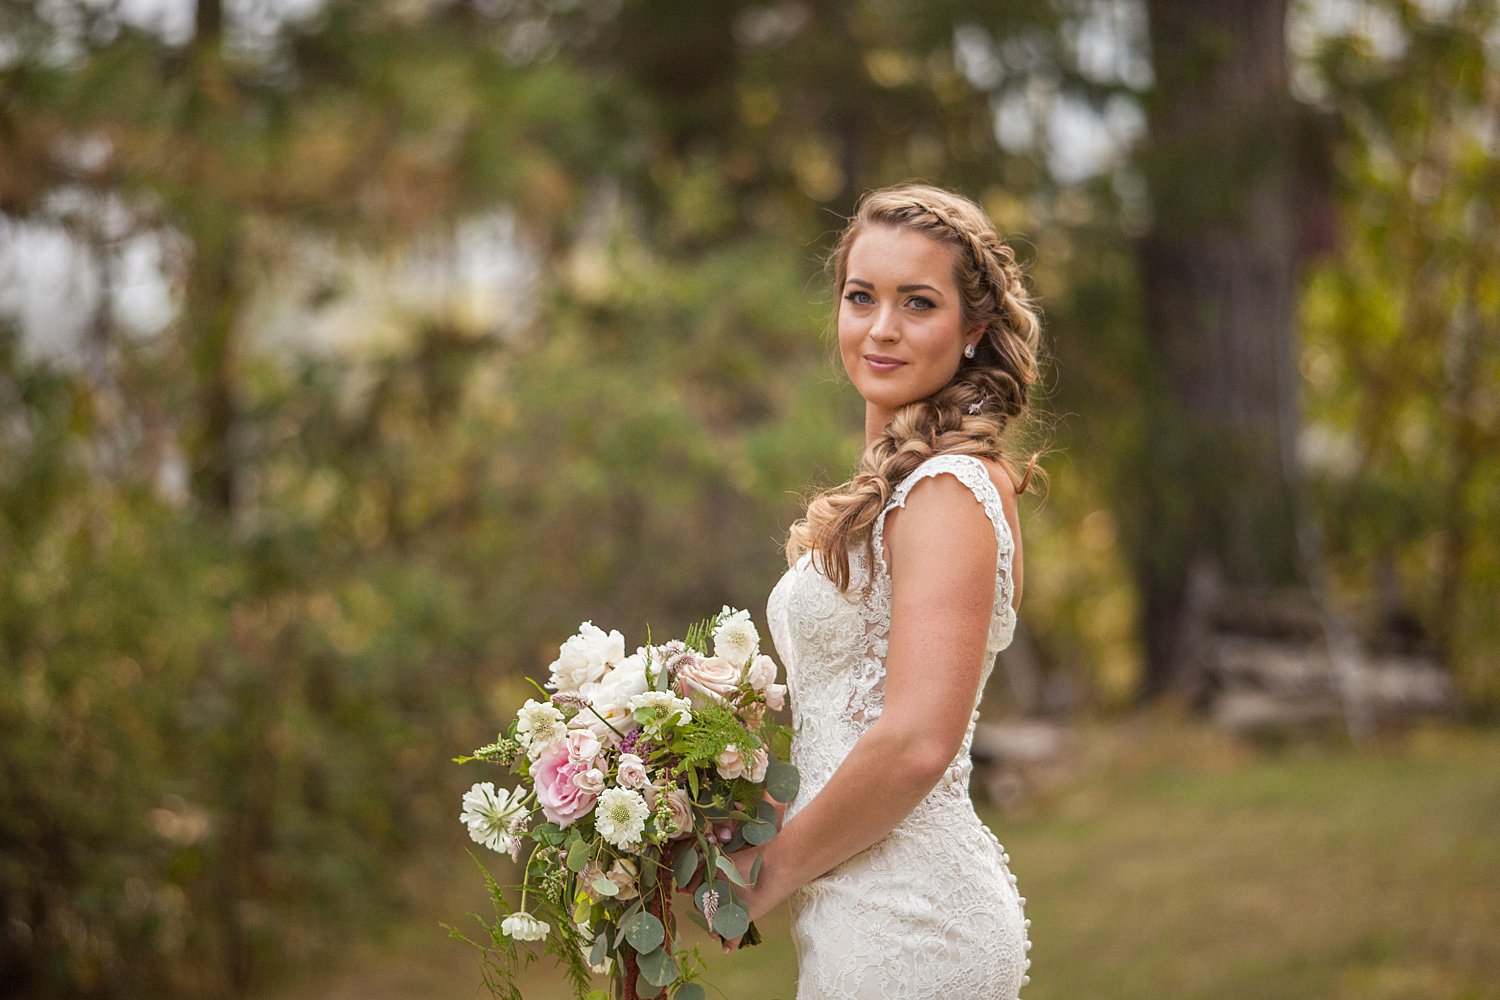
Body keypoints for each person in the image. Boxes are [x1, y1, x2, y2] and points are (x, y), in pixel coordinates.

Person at [721, 182, 1045, 998]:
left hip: (913, 925)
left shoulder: (949, 492)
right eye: (861, 297)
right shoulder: (899, 494)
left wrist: (767, 875)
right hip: (855, 912)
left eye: (918, 303)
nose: (882, 328)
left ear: (973, 331)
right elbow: (843, 722)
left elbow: (915, 741)